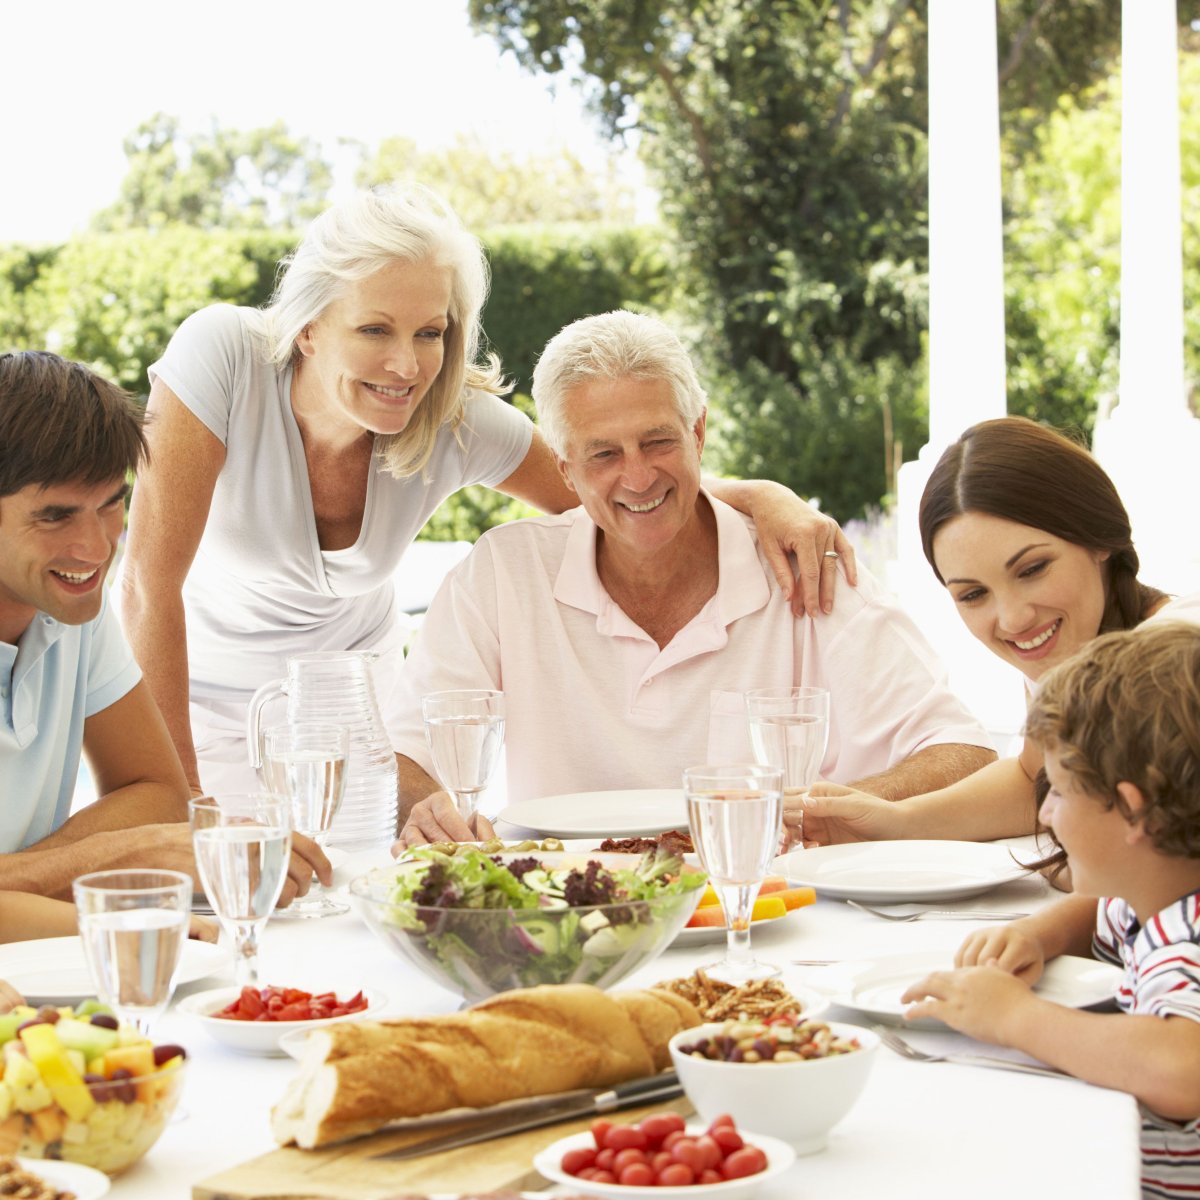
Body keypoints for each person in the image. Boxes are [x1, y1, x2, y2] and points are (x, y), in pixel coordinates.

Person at [118, 185, 855, 799]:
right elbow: (151, 587)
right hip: (195, 703)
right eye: (375, 328)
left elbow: (610, 487)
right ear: (307, 328)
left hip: (356, 714)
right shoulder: (222, 357)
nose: (407, 365)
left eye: (430, 332)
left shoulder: (453, 419)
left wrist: (764, 497)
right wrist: (180, 801)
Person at [390, 310, 996, 848]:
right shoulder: (503, 573)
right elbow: (403, 751)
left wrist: (831, 811)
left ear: (698, 433)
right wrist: (430, 814)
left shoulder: (801, 566)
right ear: (566, 470)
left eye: (658, 442)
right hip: (566, 917)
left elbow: (965, 754)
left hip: (763, 913)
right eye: (604, 455)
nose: (638, 477)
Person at [0, 351, 320, 908]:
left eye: (110, 505)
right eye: (55, 516)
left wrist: (44, 875)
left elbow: (157, 793)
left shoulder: (72, 604)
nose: (97, 549)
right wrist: (111, 858)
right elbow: (142, 828)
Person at [901, 622, 1200, 1199]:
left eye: (1058, 793)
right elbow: (1100, 911)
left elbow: (1183, 1069)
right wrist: (1038, 933)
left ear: (1135, 814)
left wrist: (1016, 1019)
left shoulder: (1186, 941)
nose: (1044, 817)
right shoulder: (1154, 892)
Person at [801, 416, 1198, 847]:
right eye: (973, 594)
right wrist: (892, 819)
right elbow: (1032, 777)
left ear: (1100, 537)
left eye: (1032, 569)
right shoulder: (1071, 652)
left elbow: (1156, 868)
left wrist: (1031, 919)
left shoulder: (1175, 658)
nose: (1012, 620)